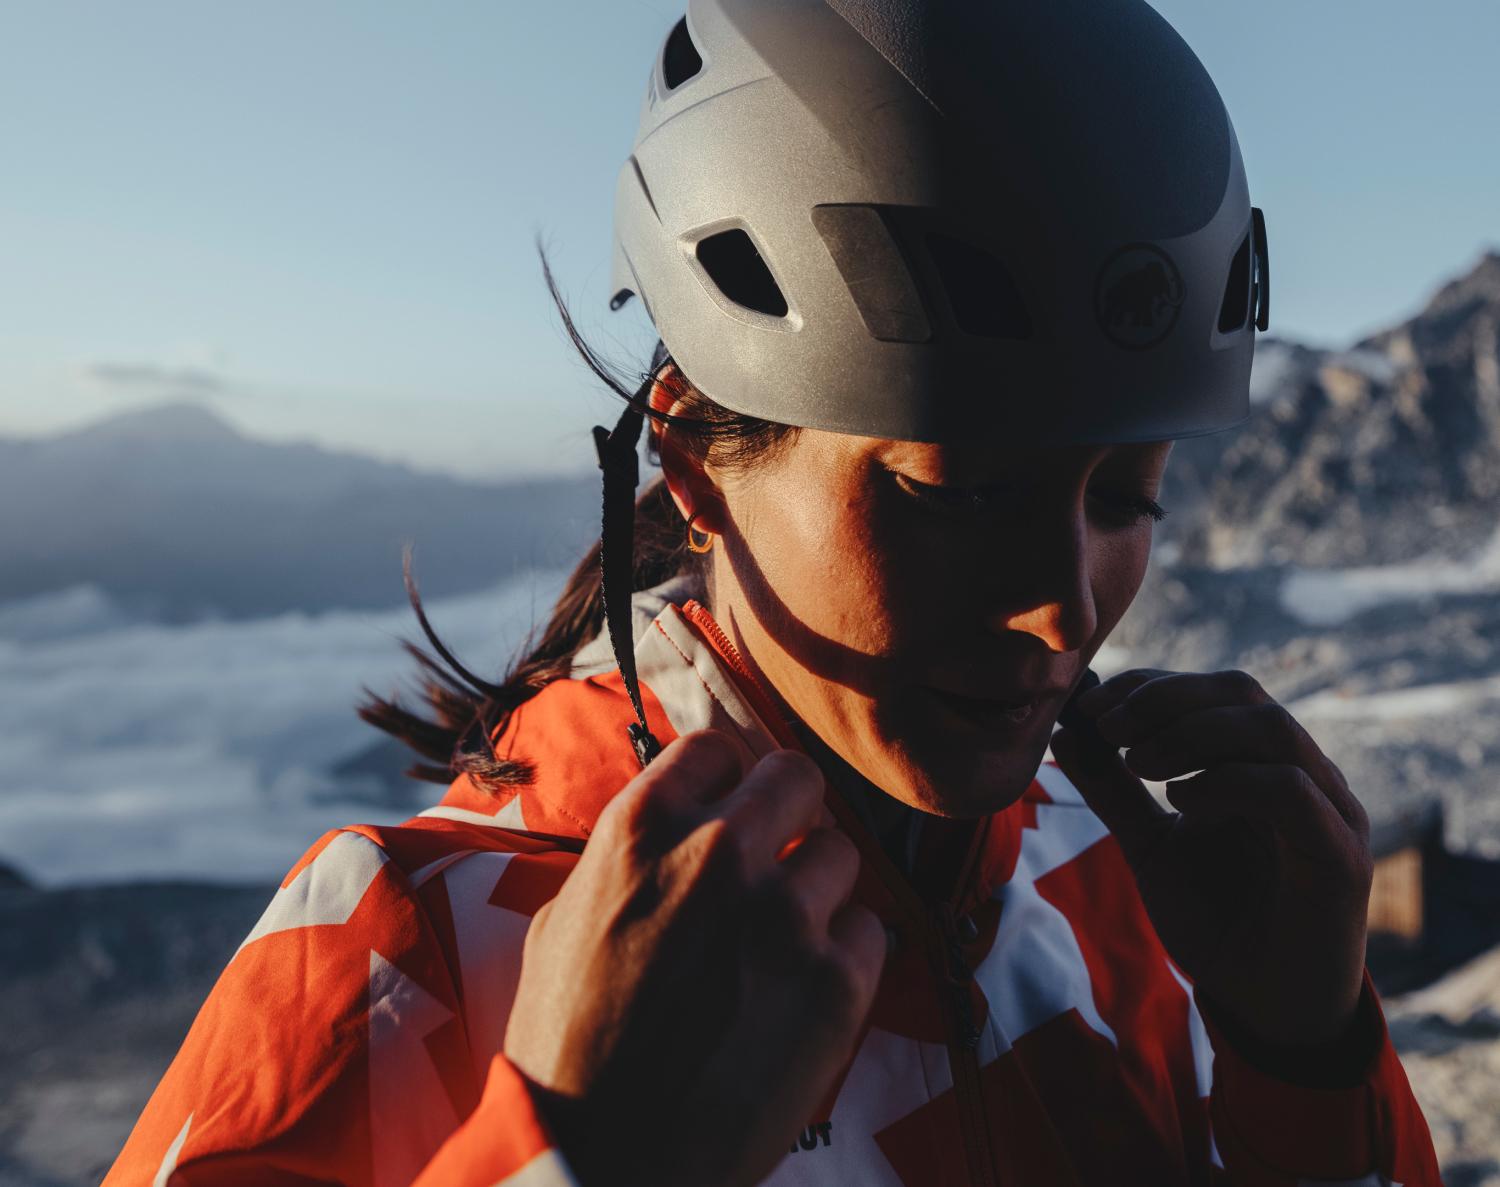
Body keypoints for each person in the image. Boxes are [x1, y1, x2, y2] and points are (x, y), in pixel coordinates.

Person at [105, 1, 1444, 1184]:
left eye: (1127, 499)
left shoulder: (1133, 887)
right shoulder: (407, 957)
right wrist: (578, 1155)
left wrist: (1304, 1058)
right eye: (958, 493)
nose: (1065, 610)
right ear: (694, 458)